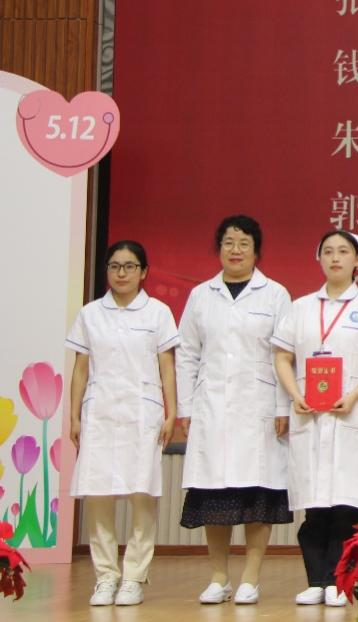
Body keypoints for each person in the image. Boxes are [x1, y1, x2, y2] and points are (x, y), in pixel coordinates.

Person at [272, 230, 358, 607]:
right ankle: (316, 580)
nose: (335, 257)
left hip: (349, 413)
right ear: (319, 259)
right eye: (328, 251)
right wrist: (295, 396)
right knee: (314, 507)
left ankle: (341, 581)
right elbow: (282, 357)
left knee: (346, 506)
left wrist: (354, 395)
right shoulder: (300, 308)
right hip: (310, 415)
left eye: (344, 251)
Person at [176, 215, 293, 605]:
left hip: (260, 408)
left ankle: (250, 578)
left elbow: (285, 355)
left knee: (257, 492)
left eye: (244, 243)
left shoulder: (275, 294)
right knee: (214, 493)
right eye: (228, 242)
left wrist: (283, 405)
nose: (236, 250)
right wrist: (185, 407)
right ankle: (218, 577)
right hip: (211, 407)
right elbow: (187, 354)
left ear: (256, 250)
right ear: (219, 248)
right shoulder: (201, 296)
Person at [66, 240, 179, 607]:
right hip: (100, 412)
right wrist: (74, 415)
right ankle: (105, 576)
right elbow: (80, 369)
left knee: (141, 494)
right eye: (115, 266)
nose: (121, 273)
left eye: (130, 266)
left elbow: (167, 368)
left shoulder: (158, 313)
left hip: (142, 412)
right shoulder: (90, 314)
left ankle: (133, 576)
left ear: (143, 272)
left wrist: (171, 411)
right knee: (98, 494)